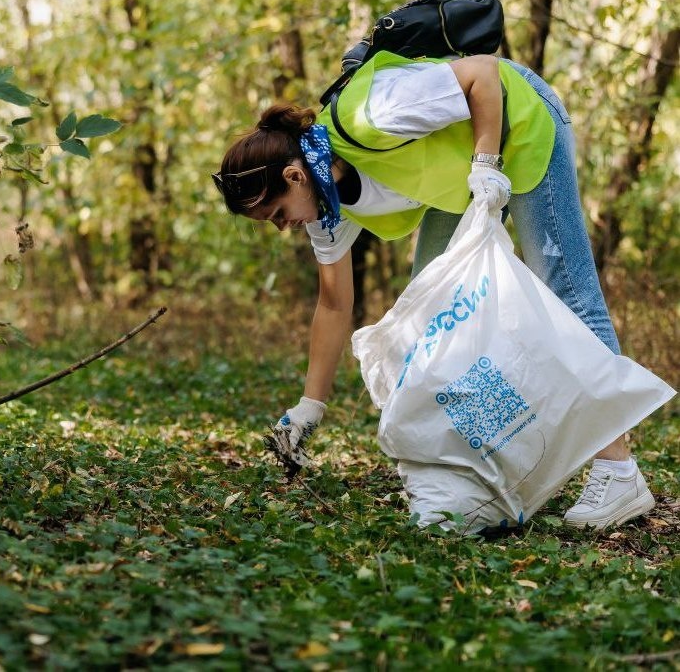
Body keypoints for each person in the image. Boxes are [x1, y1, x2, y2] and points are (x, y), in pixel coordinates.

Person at [213, 50, 656, 530]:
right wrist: (310, 406)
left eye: (278, 214)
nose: (284, 227)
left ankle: (619, 474)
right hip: (461, 176)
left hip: (519, 121)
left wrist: (486, 164)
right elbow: (334, 304)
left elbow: (482, 73)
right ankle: (483, 477)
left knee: (567, 288)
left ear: (294, 176)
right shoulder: (325, 212)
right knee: (431, 325)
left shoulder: (371, 115)